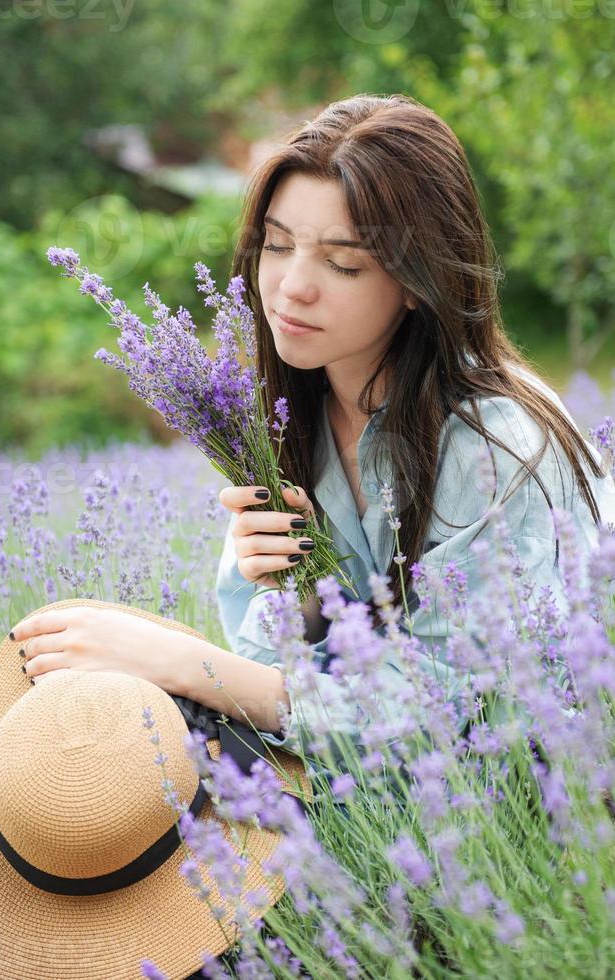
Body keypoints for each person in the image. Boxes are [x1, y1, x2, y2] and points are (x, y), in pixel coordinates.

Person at [215, 92, 615, 762]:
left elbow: (459, 715)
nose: (291, 287)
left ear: (415, 279)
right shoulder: (289, 418)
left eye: (343, 262)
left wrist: (195, 670)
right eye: (277, 246)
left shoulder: (494, 449)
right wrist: (290, 597)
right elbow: (262, 662)